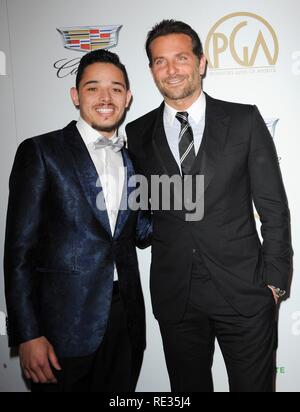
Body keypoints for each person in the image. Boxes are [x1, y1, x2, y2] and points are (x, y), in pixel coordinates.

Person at [126, 20, 292, 392]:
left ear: (201, 62)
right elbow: (144, 212)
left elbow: (274, 209)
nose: (171, 69)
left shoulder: (244, 120)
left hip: (246, 292)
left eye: (181, 57)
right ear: (151, 69)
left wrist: (275, 284)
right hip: (176, 298)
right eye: (160, 61)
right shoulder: (136, 133)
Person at [4, 49, 152, 393]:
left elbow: (142, 232)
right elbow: (19, 252)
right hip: (60, 332)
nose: (105, 98)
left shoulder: (133, 161)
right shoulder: (41, 151)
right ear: (75, 95)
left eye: (116, 89)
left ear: (128, 98)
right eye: (93, 88)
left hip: (124, 322)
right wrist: (27, 334)